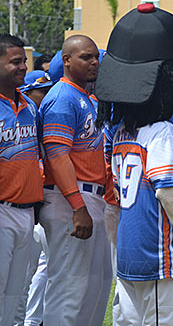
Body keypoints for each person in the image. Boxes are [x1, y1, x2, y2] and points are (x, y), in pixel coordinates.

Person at [95, 4, 173, 325]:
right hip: (159, 253)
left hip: (130, 249)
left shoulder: (123, 131)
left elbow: (141, 184)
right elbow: (167, 194)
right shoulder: (162, 131)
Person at [38, 35, 112, 326]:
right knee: (70, 287)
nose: (94, 62)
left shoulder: (84, 96)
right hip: (70, 198)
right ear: (66, 60)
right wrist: (78, 206)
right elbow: (57, 157)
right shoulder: (62, 98)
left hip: (89, 197)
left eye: (95, 56)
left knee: (95, 286)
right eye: (85, 57)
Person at [0, 33, 42, 326]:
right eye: (15, 62)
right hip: (1, 210)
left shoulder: (29, 106)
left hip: (27, 212)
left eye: (24, 61)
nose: (23, 67)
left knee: (17, 297)